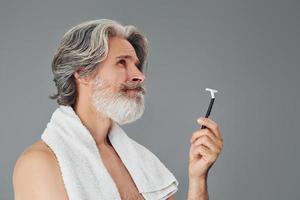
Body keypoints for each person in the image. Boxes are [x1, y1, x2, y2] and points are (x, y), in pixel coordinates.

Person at [12, 19, 223, 200]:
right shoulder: (39, 164)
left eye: (136, 65)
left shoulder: (140, 160)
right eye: (122, 63)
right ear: (83, 73)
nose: (139, 76)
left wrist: (198, 179)